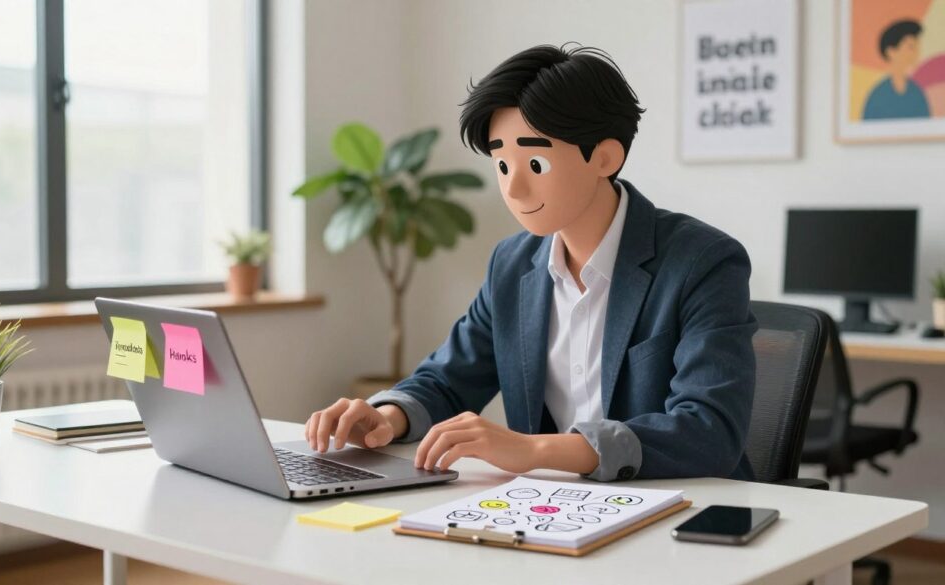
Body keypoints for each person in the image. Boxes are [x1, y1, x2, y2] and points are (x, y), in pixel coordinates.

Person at [304, 44, 757, 481]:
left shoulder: (703, 261)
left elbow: (708, 431)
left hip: (684, 513)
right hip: (550, 511)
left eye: (535, 164)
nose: (514, 190)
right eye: (503, 165)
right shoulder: (512, 263)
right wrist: (388, 416)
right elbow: (449, 379)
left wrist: (533, 449)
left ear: (604, 156)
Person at [863, 20, 931, 120]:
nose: (916, 52)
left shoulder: (916, 93)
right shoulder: (878, 95)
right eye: (911, 47)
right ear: (891, 52)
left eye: (917, 46)